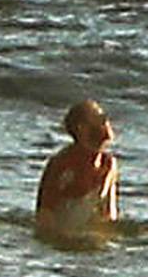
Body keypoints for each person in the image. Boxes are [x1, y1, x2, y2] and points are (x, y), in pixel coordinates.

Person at [34, 99, 119, 244]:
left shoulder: (108, 164)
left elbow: (108, 215)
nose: (105, 122)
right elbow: (45, 214)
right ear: (82, 128)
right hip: (63, 240)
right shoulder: (62, 163)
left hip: (89, 239)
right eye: (99, 118)